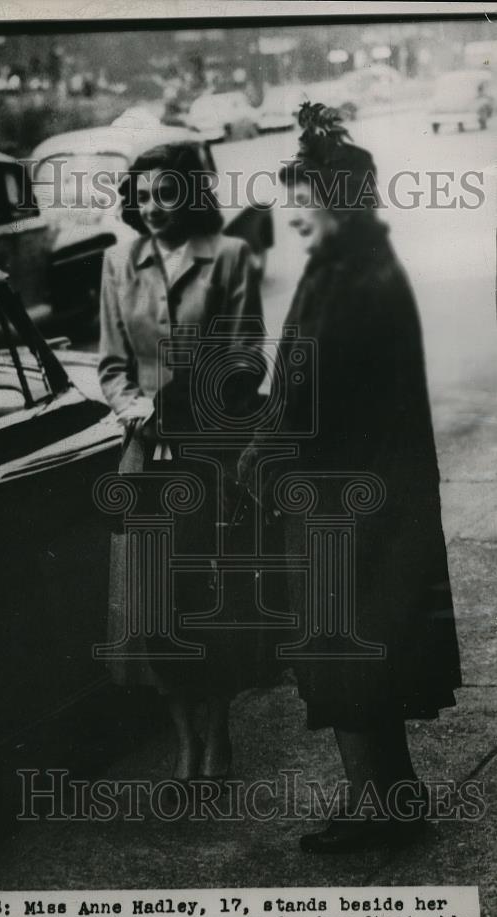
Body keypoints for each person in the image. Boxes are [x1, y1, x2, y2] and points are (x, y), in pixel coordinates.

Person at [239, 103, 461, 851]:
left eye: (303, 207)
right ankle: (390, 799)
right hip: (360, 495)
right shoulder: (350, 269)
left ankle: (378, 809)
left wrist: (263, 453)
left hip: (353, 502)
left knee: (351, 655)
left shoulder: (354, 282)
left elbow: (310, 395)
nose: (293, 221)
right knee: (361, 654)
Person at [98, 142, 266, 782]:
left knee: (205, 599)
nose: (153, 207)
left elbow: (246, 356)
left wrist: (186, 404)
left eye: (166, 193)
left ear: (190, 196)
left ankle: (218, 732)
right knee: (152, 604)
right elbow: (114, 366)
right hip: (146, 456)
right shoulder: (119, 262)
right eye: (142, 197)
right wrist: (138, 410)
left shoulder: (229, 258)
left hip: (208, 454)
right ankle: (183, 741)